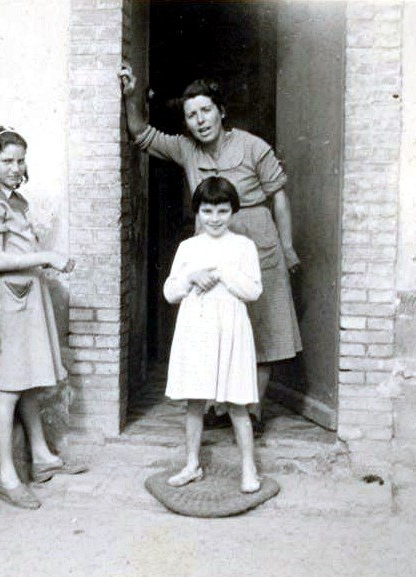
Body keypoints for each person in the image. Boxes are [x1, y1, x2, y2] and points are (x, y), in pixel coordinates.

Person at [118, 65, 302, 435]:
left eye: (205, 111)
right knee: (217, 326)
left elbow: (279, 198)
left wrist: (287, 246)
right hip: (210, 246)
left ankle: (252, 411)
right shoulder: (186, 149)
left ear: (221, 111)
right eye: (191, 115)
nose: (199, 120)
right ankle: (221, 406)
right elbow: (140, 133)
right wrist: (131, 95)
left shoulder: (253, 146)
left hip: (257, 239)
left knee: (263, 329)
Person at [0, 126, 87, 510]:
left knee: (29, 382)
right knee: (9, 386)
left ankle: (41, 458)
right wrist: (47, 257)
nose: (16, 167)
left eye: (20, 160)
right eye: (7, 160)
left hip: (26, 296)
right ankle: (6, 477)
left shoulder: (14, 200)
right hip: (10, 300)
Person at [164, 177, 263, 493]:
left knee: (237, 402)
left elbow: (253, 290)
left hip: (231, 327)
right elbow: (169, 292)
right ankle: (192, 464)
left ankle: (249, 469)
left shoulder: (244, 246)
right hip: (196, 327)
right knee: (195, 400)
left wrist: (221, 273)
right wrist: (191, 277)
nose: (215, 218)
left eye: (222, 210)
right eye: (208, 211)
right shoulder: (188, 247)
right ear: (198, 212)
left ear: (233, 211)